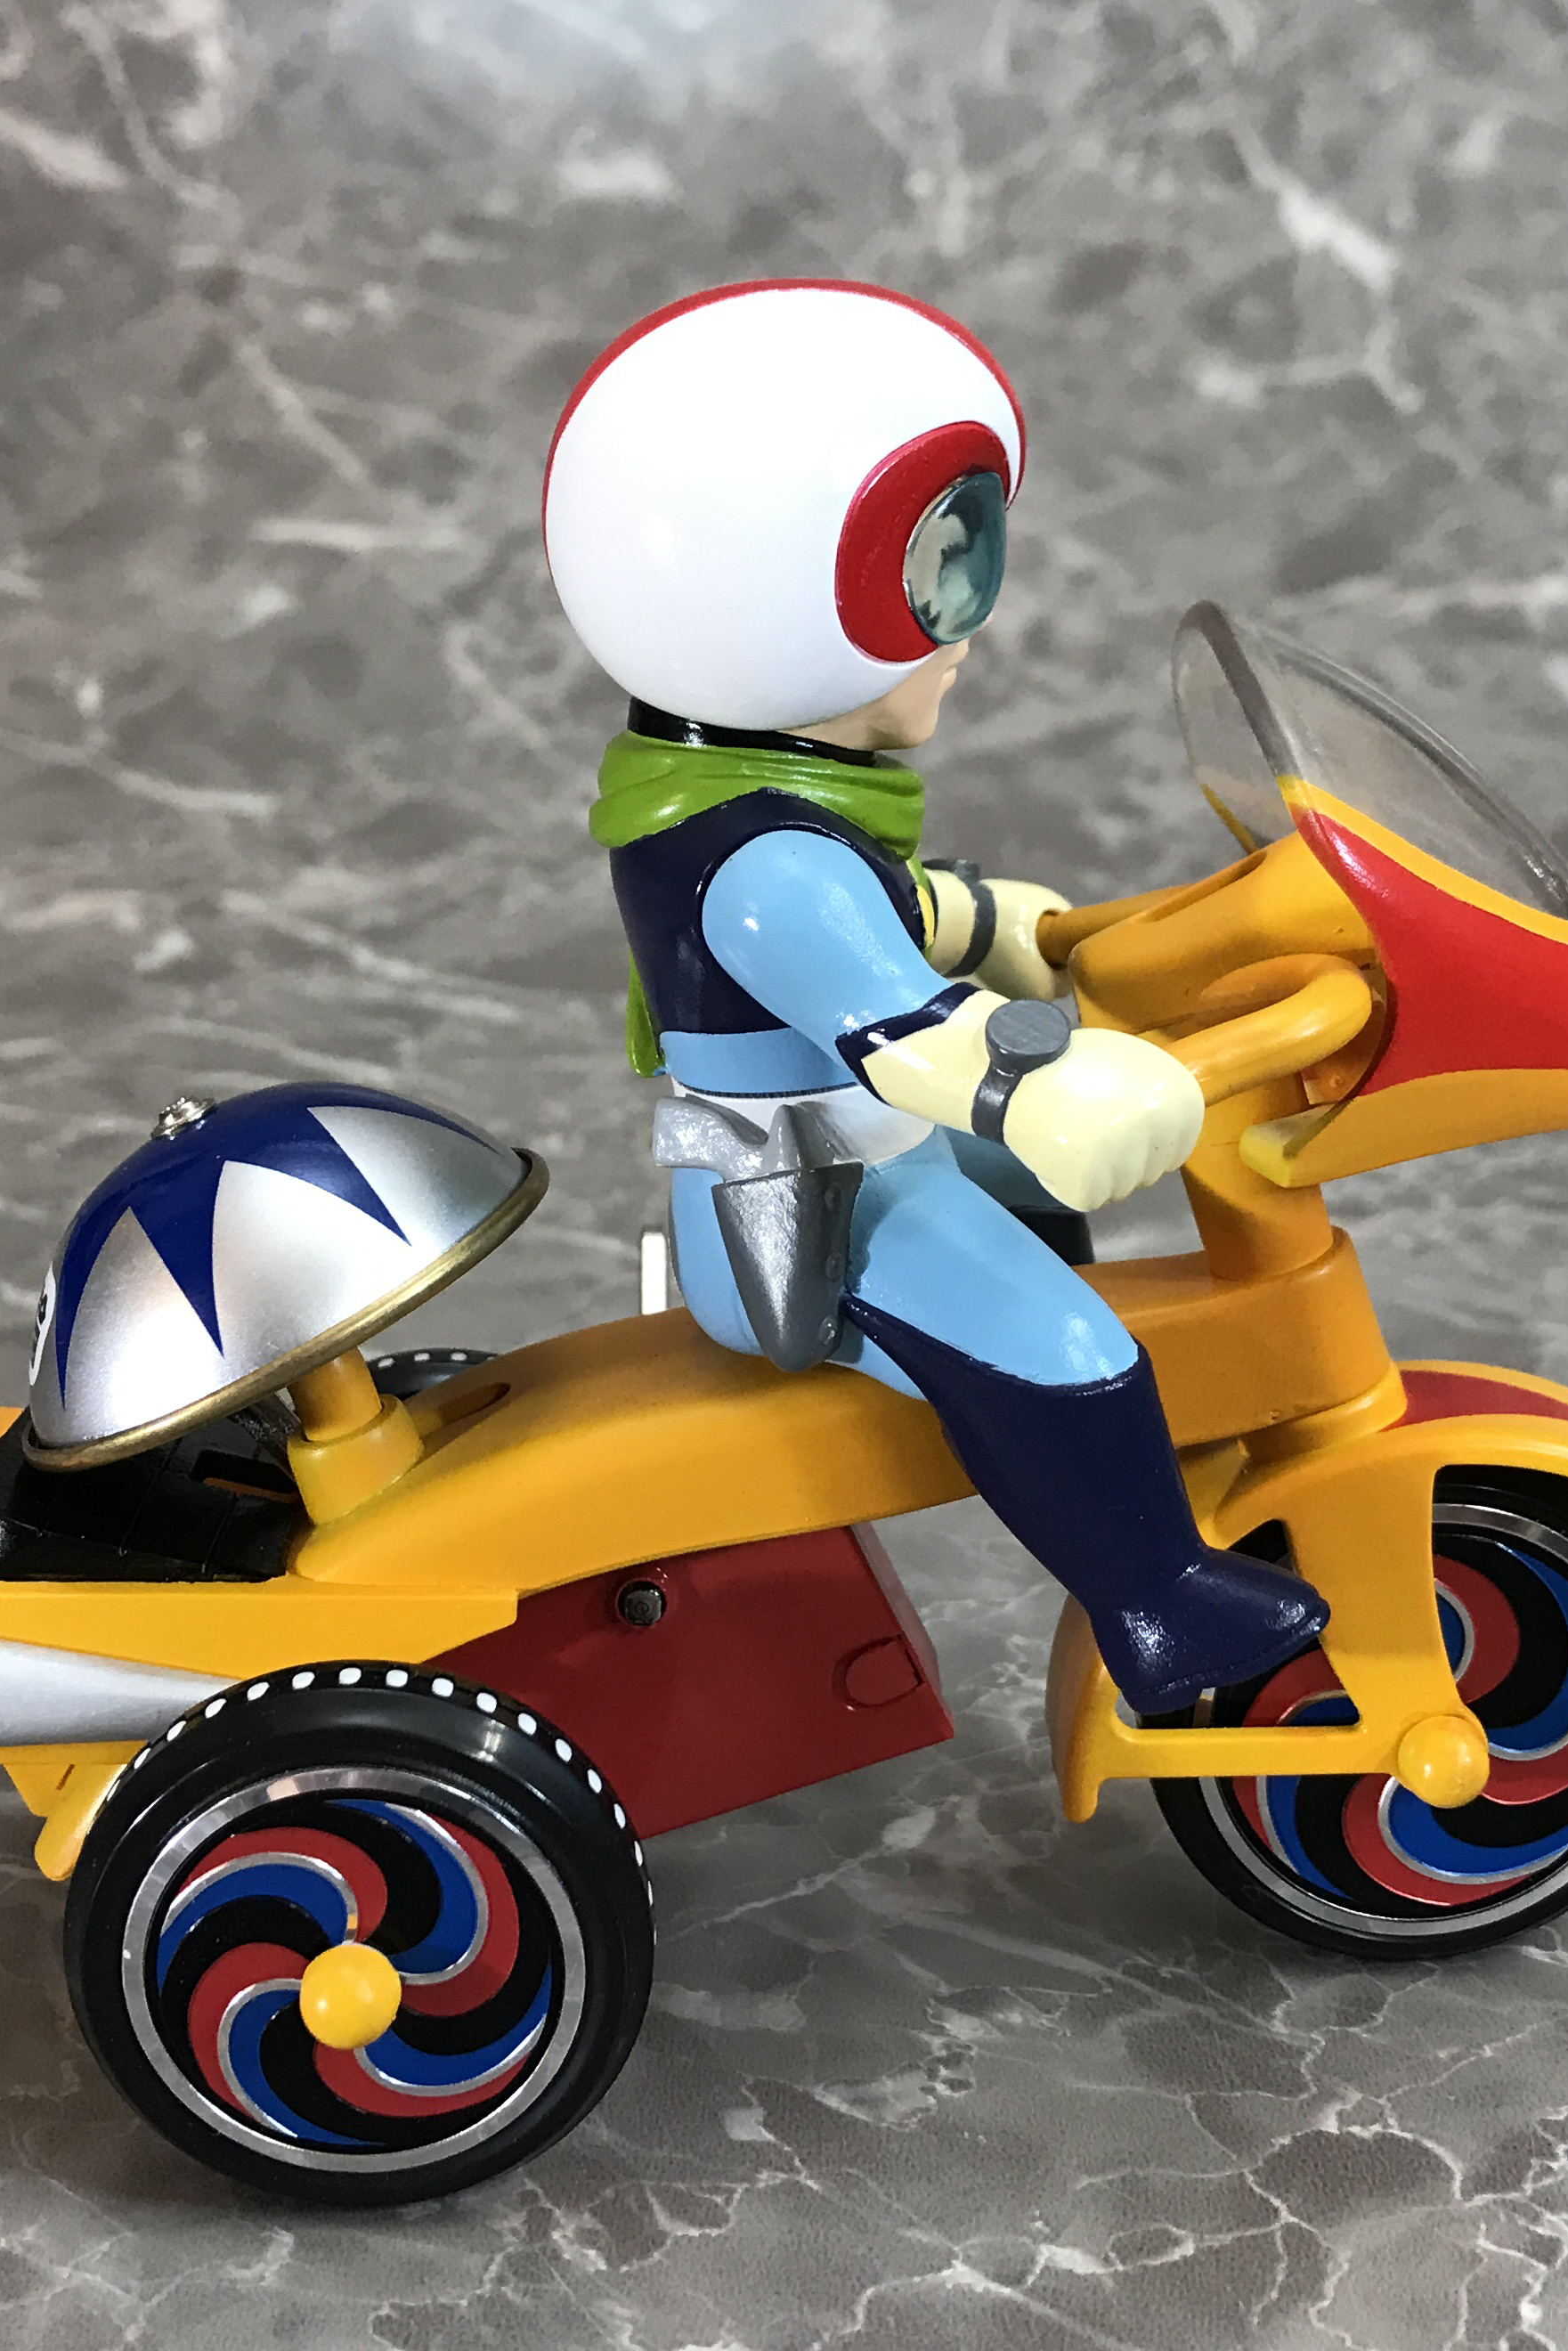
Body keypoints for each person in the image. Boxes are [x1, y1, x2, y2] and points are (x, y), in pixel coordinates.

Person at [541, 279, 1325, 1715]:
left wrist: (1015, 927)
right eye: (938, 576)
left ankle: (1080, 1455)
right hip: (806, 1216)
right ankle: (1160, 1608)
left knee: (1055, 1222)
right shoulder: (767, 862)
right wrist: (1038, 1083)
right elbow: (905, 1037)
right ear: (782, 601)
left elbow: (904, 918)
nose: (966, 626)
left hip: (847, 1159)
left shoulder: (758, 812)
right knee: (1073, 1347)